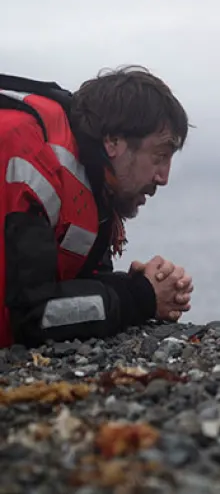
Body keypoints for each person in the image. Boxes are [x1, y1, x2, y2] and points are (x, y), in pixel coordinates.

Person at [0, 65, 193, 349]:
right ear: (113, 141)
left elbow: (76, 284)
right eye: (160, 155)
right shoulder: (27, 156)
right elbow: (32, 317)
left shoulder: (92, 184)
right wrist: (140, 297)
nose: (163, 177)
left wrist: (138, 285)